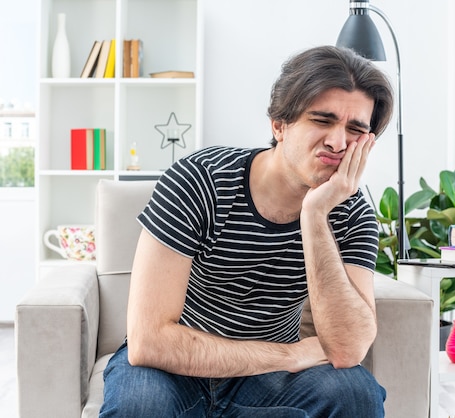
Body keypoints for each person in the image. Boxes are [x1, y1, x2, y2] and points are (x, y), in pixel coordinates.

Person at [99, 45, 394, 418]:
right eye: (322, 120)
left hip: (266, 381)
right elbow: (149, 341)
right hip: (171, 371)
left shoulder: (352, 215)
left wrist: (316, 216)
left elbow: (348, 348)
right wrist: (289, 355)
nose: (337, 143)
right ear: (279, 125)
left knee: (356, 393)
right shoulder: (200, 180)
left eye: (355, 130)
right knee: (139, 406)